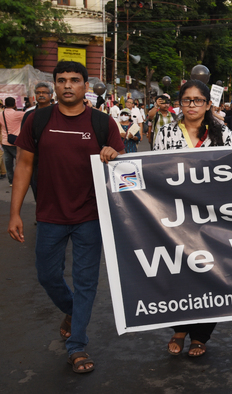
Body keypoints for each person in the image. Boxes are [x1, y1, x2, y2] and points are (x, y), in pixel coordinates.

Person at [7, 61, 124, 373]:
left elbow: (125, 168)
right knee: (47, 275)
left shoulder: (102, 123)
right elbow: (23, 166)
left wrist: (115, 155)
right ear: (54, 86)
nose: (67, 85)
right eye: (61, 80)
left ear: (86, 86)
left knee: (86, 282)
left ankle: (77, 346)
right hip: (49, 215)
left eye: (74, 80)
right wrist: (14, 212)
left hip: (90, 216)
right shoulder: (38, 120)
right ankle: (74, 311)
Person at [153, 80, 232, 356]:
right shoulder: (165, 133)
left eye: (198, 100)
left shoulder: (223, 133)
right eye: (186, 100)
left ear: (208, 104)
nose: (192, 105)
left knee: (210, 273)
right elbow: (154, 170)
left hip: (212, 217)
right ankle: (180, 327)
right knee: (179, 272)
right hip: (175, 215)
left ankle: (201, 334)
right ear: (180, 103)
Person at [21, 82, 54, 200]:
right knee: (38, 194)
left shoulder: (58, 113)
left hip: (54, 161)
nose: (41, 95)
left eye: (45, 93)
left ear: (51, 95)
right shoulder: (29, 115)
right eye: (38, 93)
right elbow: (23, 140)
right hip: (35, 162)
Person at [1, 97, 25, 186]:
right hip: (17, 141)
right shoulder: (18, 114)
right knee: (20, 161)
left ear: (5, 104)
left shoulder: (1, 114)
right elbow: (29, 115)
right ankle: (22, 179)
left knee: (8, 162)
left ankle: (11, 181)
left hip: (5, 141)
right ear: (15, 104)